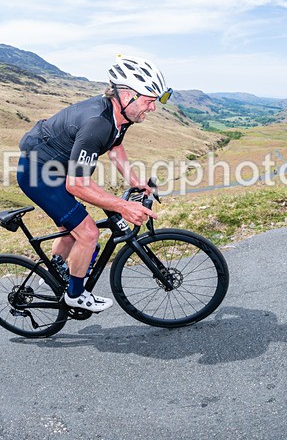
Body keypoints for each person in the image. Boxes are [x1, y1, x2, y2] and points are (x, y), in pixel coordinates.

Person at [17, 55, 172, 312]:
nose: (153, 108)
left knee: (70, 228)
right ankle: (75, 295)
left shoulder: (121, 115)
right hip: (38, 174)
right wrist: (123, 206)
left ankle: (55, 273)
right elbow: (77, 185)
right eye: (148, 101)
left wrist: (135, 182)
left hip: (57, 168)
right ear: (127, 95)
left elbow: (115, 148)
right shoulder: (97, 123)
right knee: (88, 233)